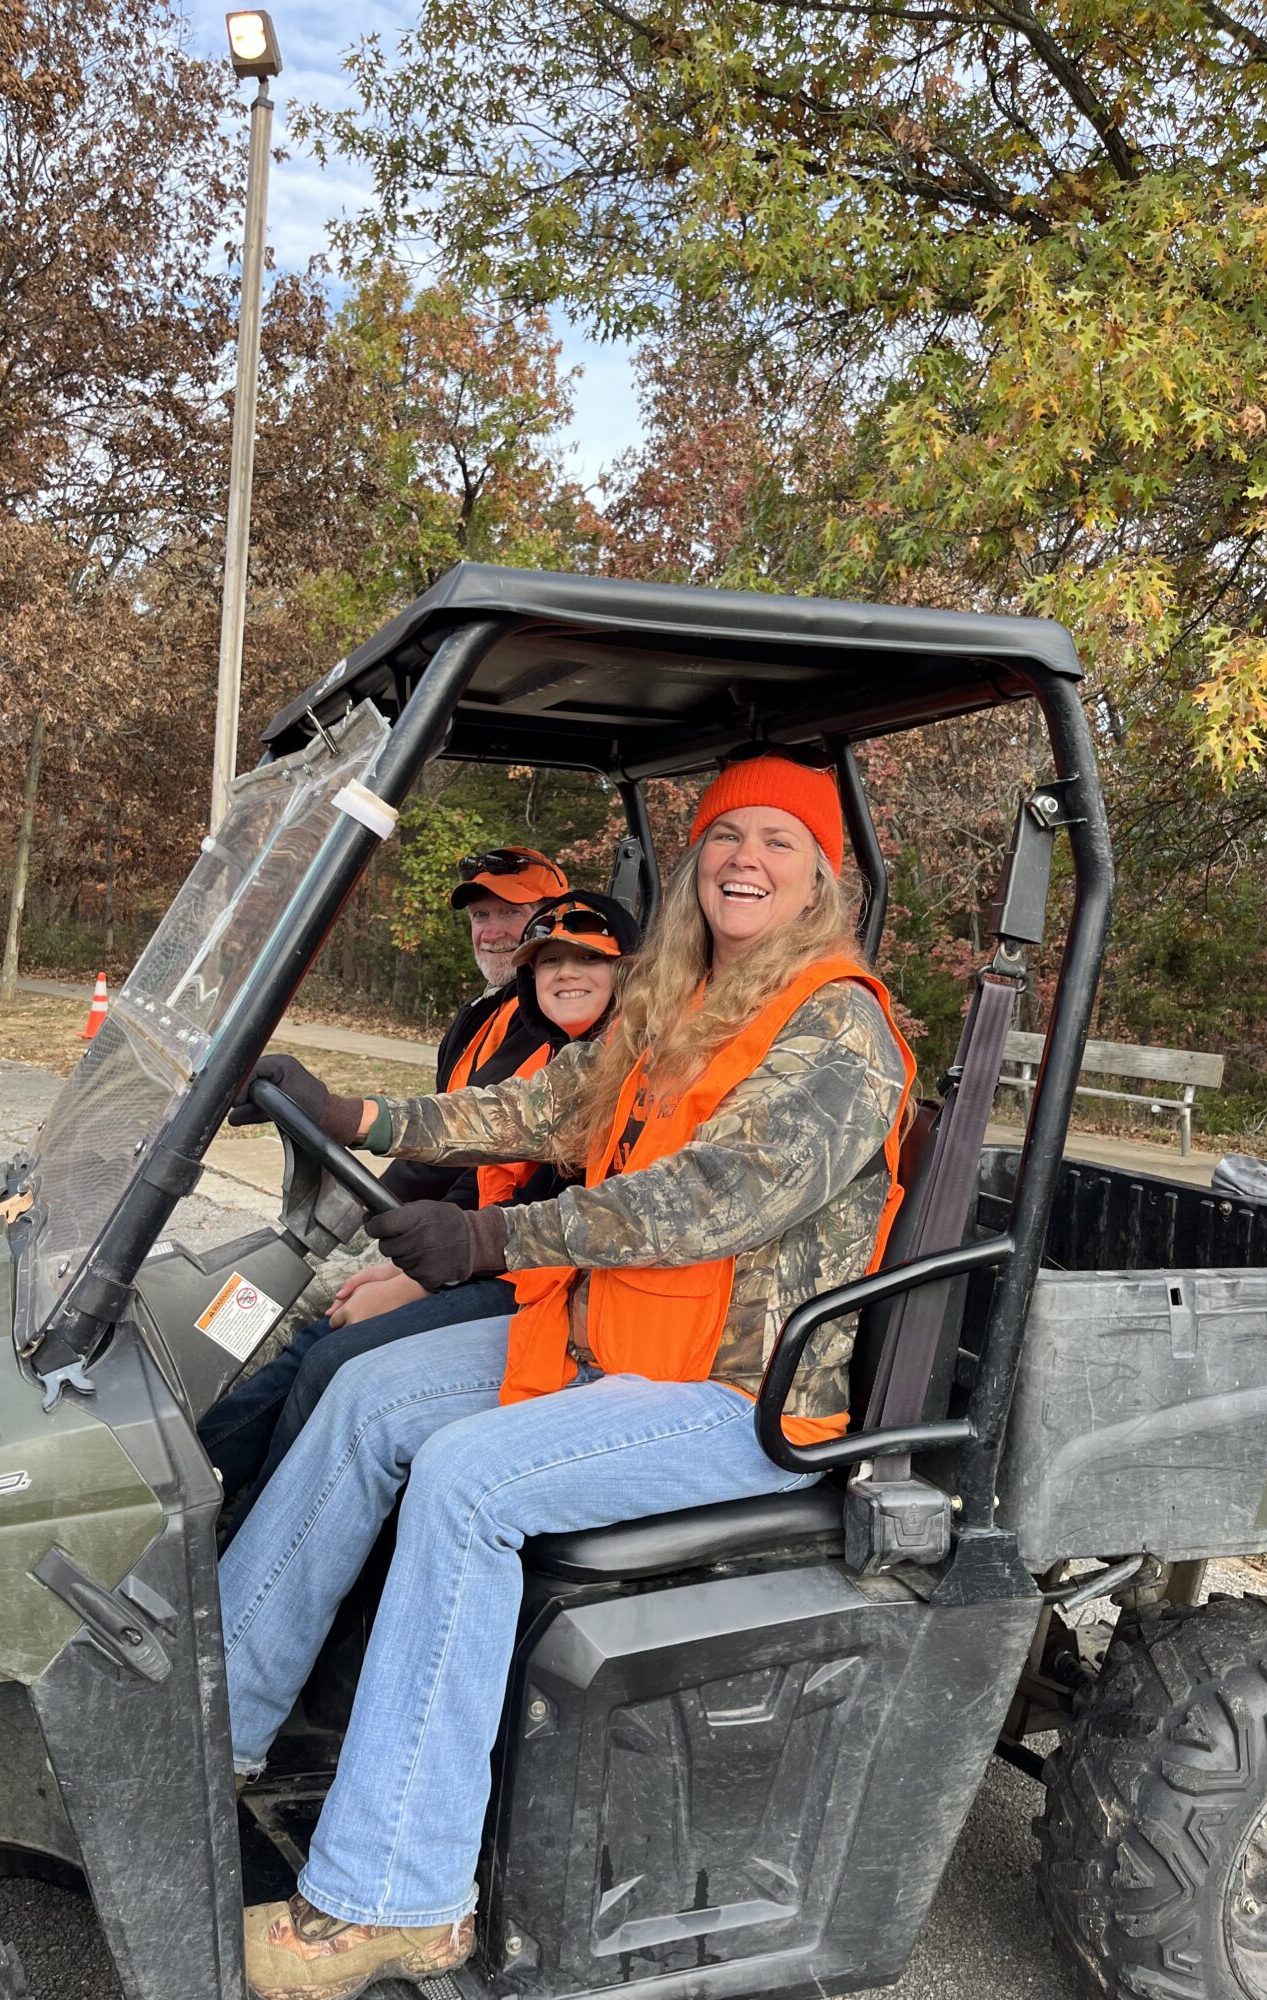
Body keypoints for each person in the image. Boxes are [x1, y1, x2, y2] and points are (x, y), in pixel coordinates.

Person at [220, 757, 917, 2000]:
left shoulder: (839, 1027)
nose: (743, 860)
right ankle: (215, 1724)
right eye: (724, 838)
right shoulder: (684, 995)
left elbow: (716, 1196)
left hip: (744, 1395)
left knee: (466, 1481)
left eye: (777, 842)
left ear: (821, 877)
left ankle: (397, 1895)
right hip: (620, 1345)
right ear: (696, 859)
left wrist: (498, 1240)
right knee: (365, 1392)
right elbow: (546, 1107)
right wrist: (361, 1112)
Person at [226, 891, 640, 1522]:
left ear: (630, 973)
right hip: (498, 1258)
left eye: (588, 958)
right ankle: (204, 1489)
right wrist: (338, 1120)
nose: (565, 973)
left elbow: (561, 1213)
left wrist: (427, 1276)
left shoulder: (633, 1068)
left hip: (555, 1283)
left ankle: (248, 1521)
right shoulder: (554, 1057)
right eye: (549, 961)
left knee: (332, 1356)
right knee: (297, 1324)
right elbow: (474, 1141)